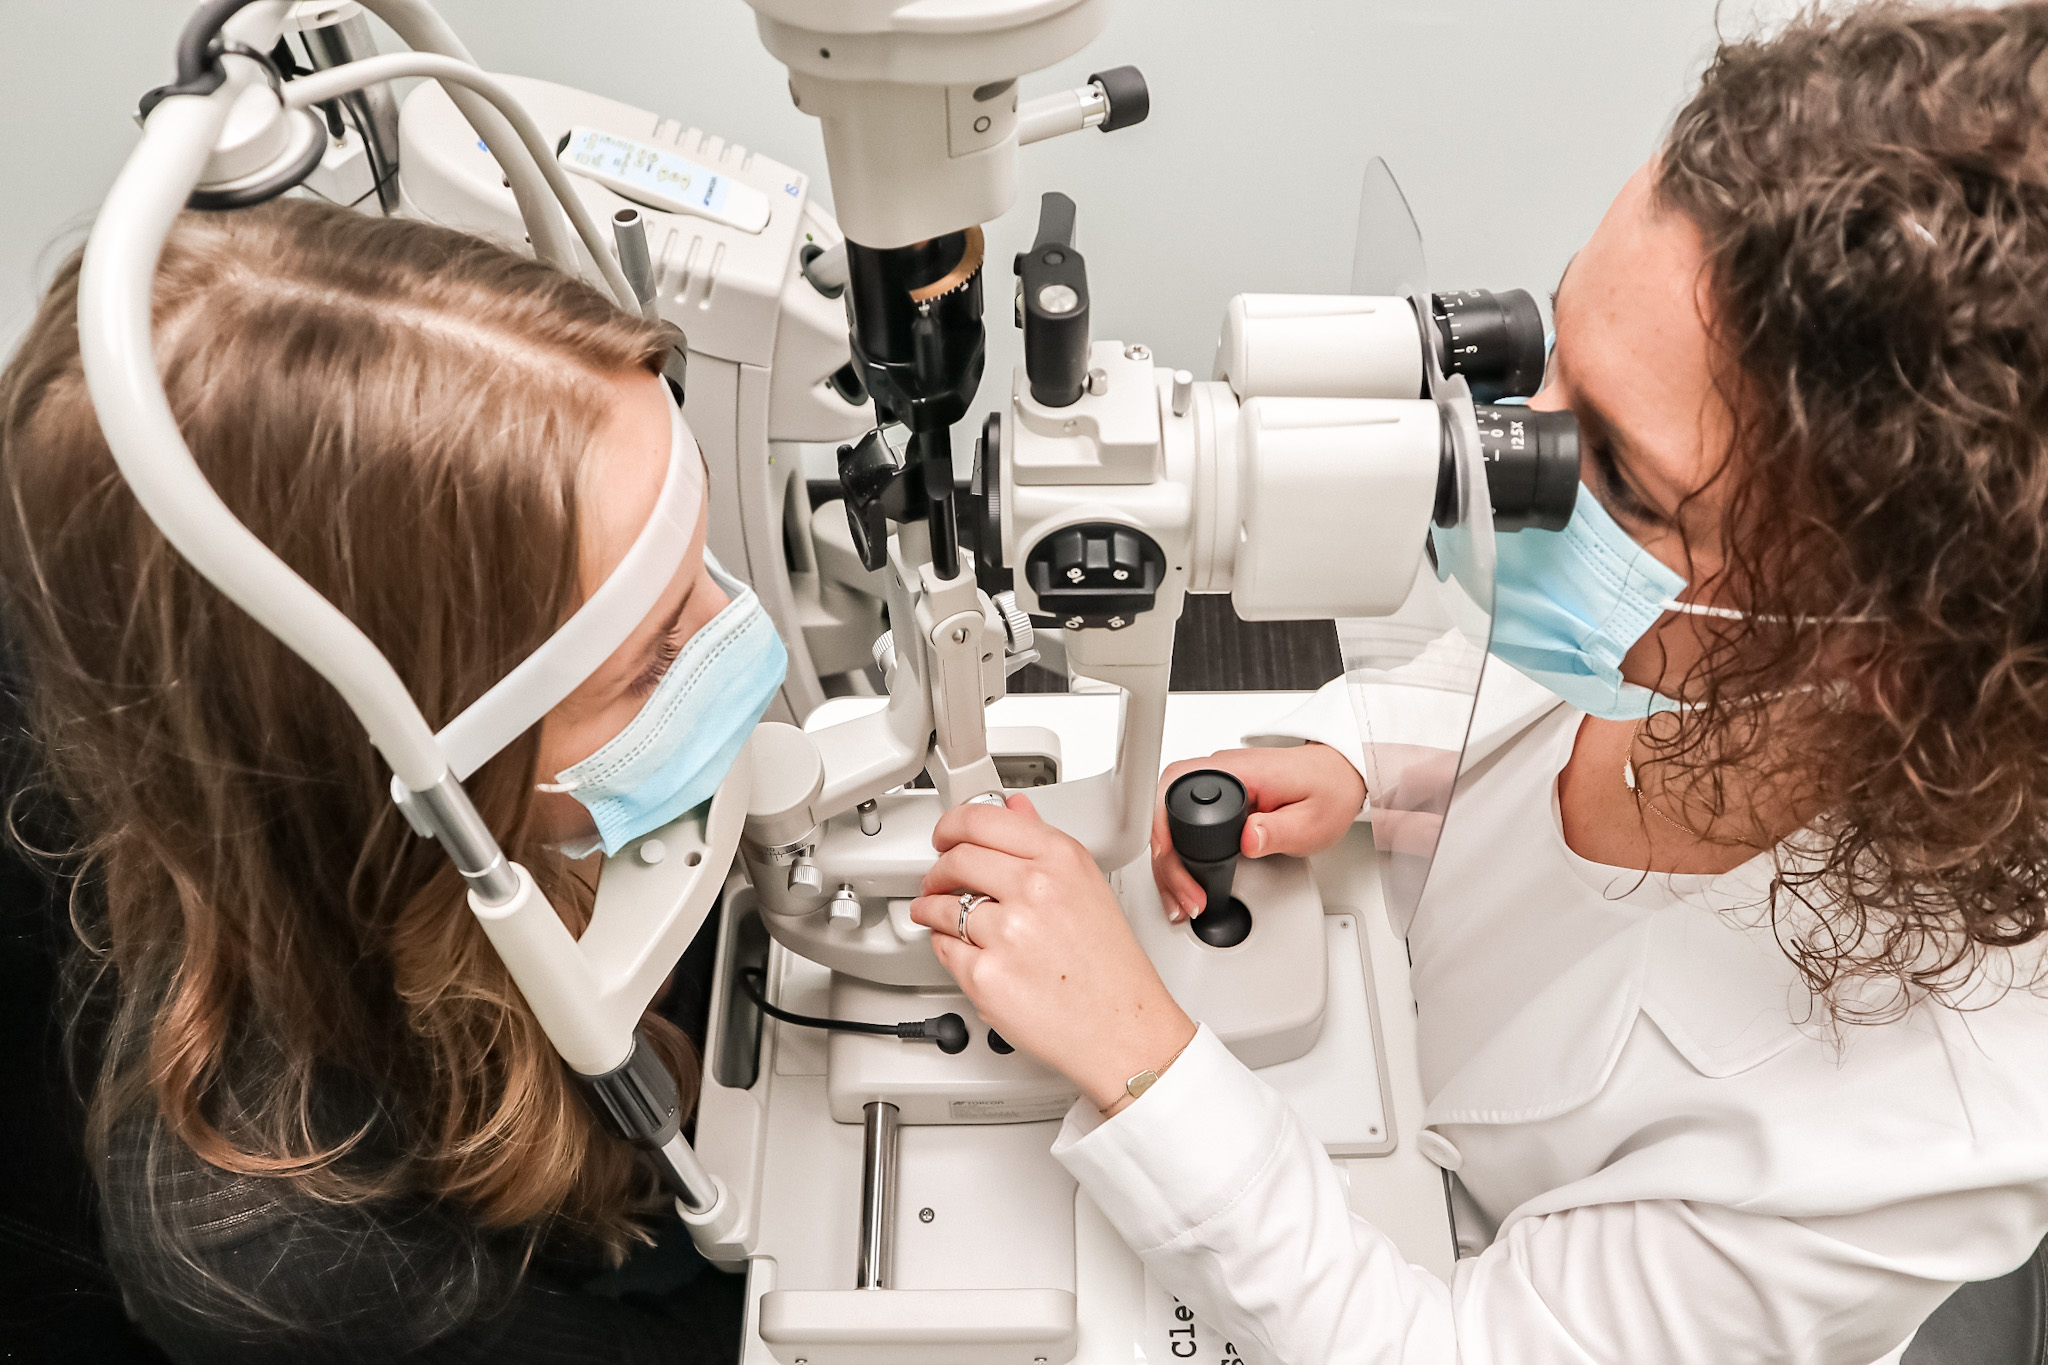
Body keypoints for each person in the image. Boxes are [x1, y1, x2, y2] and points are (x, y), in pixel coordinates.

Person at [908, 5, 2048, 1361]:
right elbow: (1526, 677)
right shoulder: (1689, 644)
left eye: (1614, 471)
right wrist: (1373, 764)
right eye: (1546, 355)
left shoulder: (1925, 1137)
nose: (1500, 461)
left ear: (1885, 643)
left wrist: (1146, 1065)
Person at [0, 197, 782, 1362]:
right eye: (658, 656)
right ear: (396, 762)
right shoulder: (305, 1264)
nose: (742, 647)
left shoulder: (510, 776)